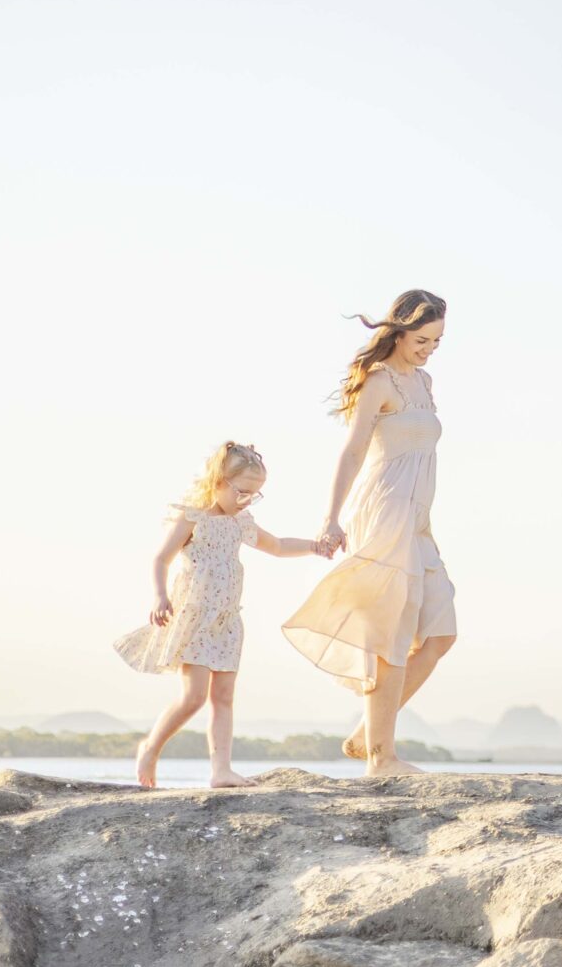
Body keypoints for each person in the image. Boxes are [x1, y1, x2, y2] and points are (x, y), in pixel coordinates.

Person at [280, 289, 458, 776]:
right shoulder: (379, 383)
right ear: (397, 331)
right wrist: (331, 517)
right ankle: (383, 758)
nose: (429, 348)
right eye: (422, 339)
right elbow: (354, 451)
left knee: (441, 633)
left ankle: (366, 737)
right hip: (384, 511)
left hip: (418, 516)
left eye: (437, 341)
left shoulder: (423, 381)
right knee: (392, 634)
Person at [115, 441, 324, 788]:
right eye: (242, 492)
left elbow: (278, 546)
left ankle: (221, 770)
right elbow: (161, 558)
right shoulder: (193, 515)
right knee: (194, 696)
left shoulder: (241, 522)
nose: (245, 501)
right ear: (218, 481)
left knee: (223, 696)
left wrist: (315, 546)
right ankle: (151, 747)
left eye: (254, 496)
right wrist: (160, 596)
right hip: (195, 617)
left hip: (226, 621)